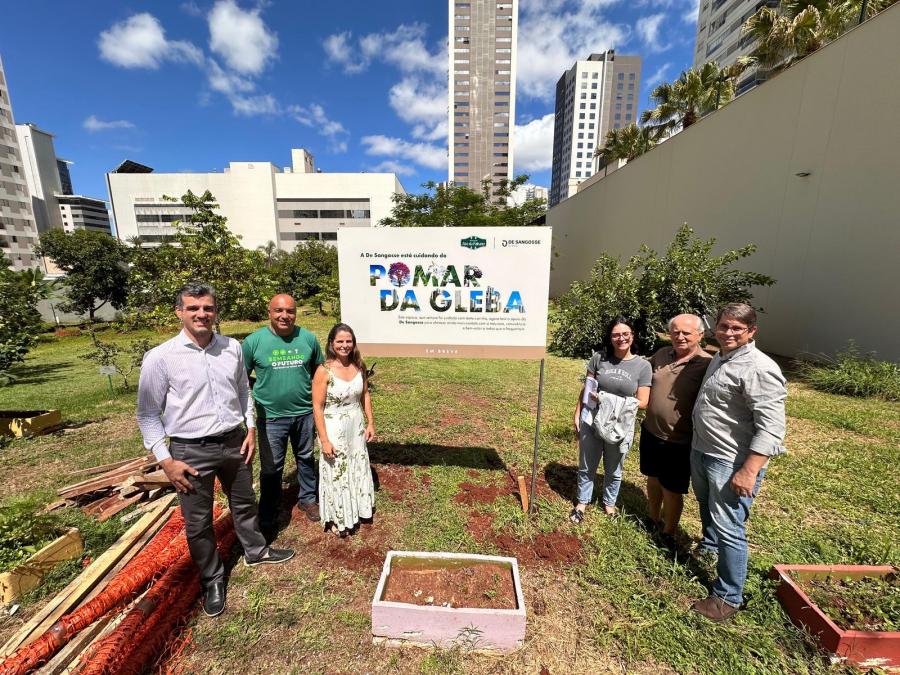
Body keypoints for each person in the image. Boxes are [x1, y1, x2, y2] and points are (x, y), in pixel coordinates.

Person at [137, 282, 294, 618]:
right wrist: (166, 461)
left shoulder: (231, 348)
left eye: (207, 308)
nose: (201, 314)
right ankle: (212, 579)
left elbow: (243, 391)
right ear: (179, 312)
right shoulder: (161, 358)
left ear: (215, 312)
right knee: (198, 521)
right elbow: (148, 414)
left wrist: (250, 428)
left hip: (234, 441)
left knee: (244, 501)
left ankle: (255, 551)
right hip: (190, 451)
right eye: (193, 308)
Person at [690, 303, 787, 621]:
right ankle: (710, 546)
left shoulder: (759, 368)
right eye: (723, 326)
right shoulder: (720, 357)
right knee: (706, 505)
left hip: (731, 461)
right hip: (703, 450)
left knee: (729, 526)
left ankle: (728, 597)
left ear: (752, 331)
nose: (728, 332)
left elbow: (771, 427)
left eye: (736, 328)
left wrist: (749, 470)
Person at [242, 294, 325, 541]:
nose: (284, 316)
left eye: (290, 311)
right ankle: (269, 510)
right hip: (271, 417)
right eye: (279, 311)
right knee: (271, 467)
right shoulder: (254, 342)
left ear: (295, 313)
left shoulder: (308, 338)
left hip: (304, 413)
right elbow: (241, 378)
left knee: (306, 457)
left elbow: (318, 372)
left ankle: (308, 498)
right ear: (269, 312)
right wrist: (261, 392)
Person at [640, 314, 712, 550]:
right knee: (652, 477)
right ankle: (652, 517)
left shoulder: (707, 364)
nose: (680, 337)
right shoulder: (662, 354)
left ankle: (668, 532)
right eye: (675, 332)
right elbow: (641, 374)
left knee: (671, 488)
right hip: (651, 430)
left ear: (700, 335)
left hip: (679, 439)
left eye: (686, 333)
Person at [571, 316, 651, 522]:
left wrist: (605, 399)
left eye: (625, 334)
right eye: (616, 335)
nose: (621, 338)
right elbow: (588, 389)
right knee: (587, 464)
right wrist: (578, 413)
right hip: (592, 419)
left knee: (614, 468)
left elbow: (643, 401)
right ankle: (582, 502)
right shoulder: (599, 358)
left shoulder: (642, 366)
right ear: (610, 337)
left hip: (619, 425)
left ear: (632, 335)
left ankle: (609, 504)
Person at [311, 323, 376, 536]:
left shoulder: (359, 366)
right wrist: (324, 440)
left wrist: (370, 422)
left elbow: (365, 394)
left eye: (349, 341)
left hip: (355, 426)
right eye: (340, 341)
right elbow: (317, 407)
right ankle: (338, 517)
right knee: (337, 470)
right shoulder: (324, 371)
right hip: (333, 427)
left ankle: (359, 508)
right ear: (331, 343)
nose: (344, 345)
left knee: (356, 464)